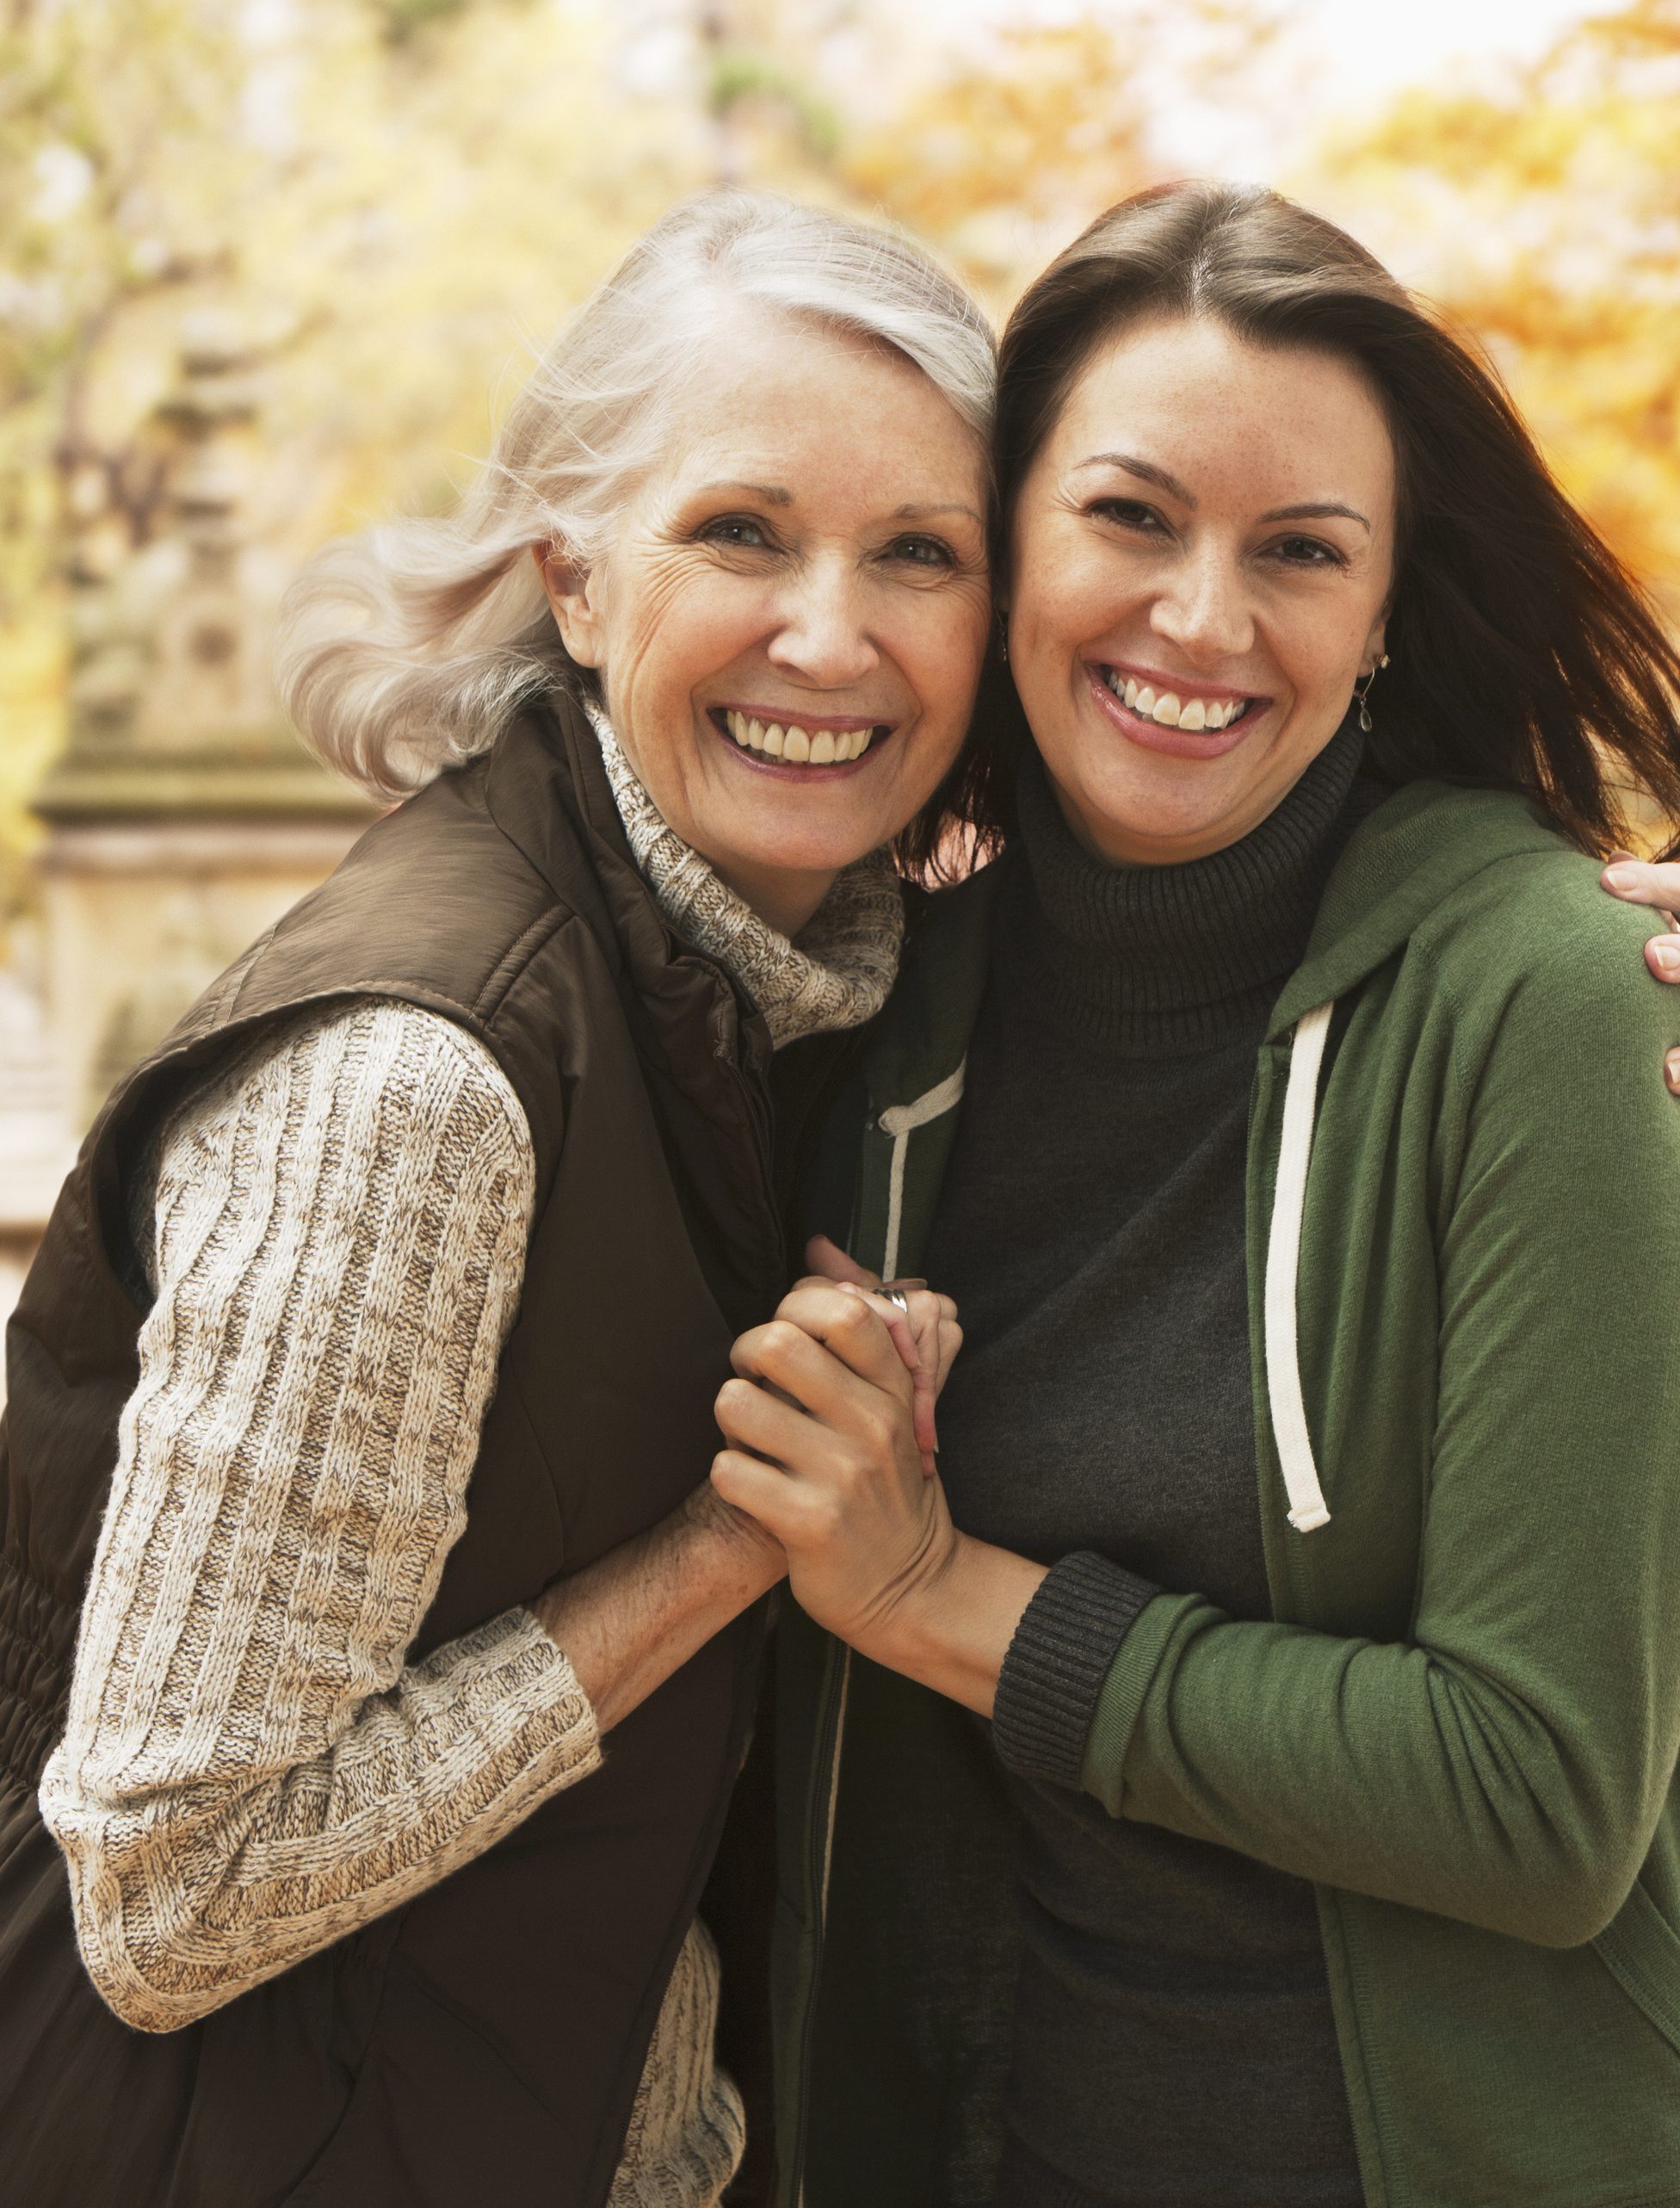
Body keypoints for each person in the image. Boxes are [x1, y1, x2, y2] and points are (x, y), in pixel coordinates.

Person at [713, 183, 1680, 2208]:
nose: (1200, 618)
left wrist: (943, 1601)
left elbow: (1536, 1791)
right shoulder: (884, 1004)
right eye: (1130, 517)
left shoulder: (1558, 1001)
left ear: (1386, 607)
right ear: (1008, 550)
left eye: (1300, 552)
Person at [0, 190, 992, 2208]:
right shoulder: (422, 1080)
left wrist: (1603, 993)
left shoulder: (782, 974)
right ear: (577, 581)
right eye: (741, 530)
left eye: (921, 552)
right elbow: (173, 1887)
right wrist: (727, 1547)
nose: (833, 631)